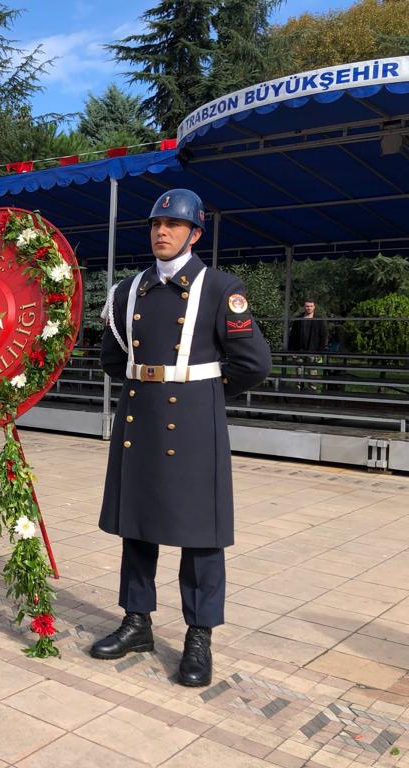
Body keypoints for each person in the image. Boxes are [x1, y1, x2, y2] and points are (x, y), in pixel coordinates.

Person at [92, 189, 271, 687]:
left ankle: (199, 636)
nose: (162, 232)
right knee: (137, 525)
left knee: (201, 533)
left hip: (194, 422)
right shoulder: (128, 290)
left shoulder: (220, 288)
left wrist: (204, 393)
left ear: (195, 234)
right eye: (156, 224)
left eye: (173, 224)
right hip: (140, 417)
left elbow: (254, 363)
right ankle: (137, 622)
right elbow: (112, 358)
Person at [288, 300, 327, 391]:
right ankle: (298, 390)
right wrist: (292, 351)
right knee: (299, 372)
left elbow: (323, 336)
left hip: (313, 351)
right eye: (307, 306)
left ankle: (312, 390)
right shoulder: (298, 320)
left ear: (314, 307)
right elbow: (292, 336)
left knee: (312, 372)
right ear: (304, 307)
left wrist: (319, 352)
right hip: (299, 351)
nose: (309, 308)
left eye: (311, 306)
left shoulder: (318, 320)